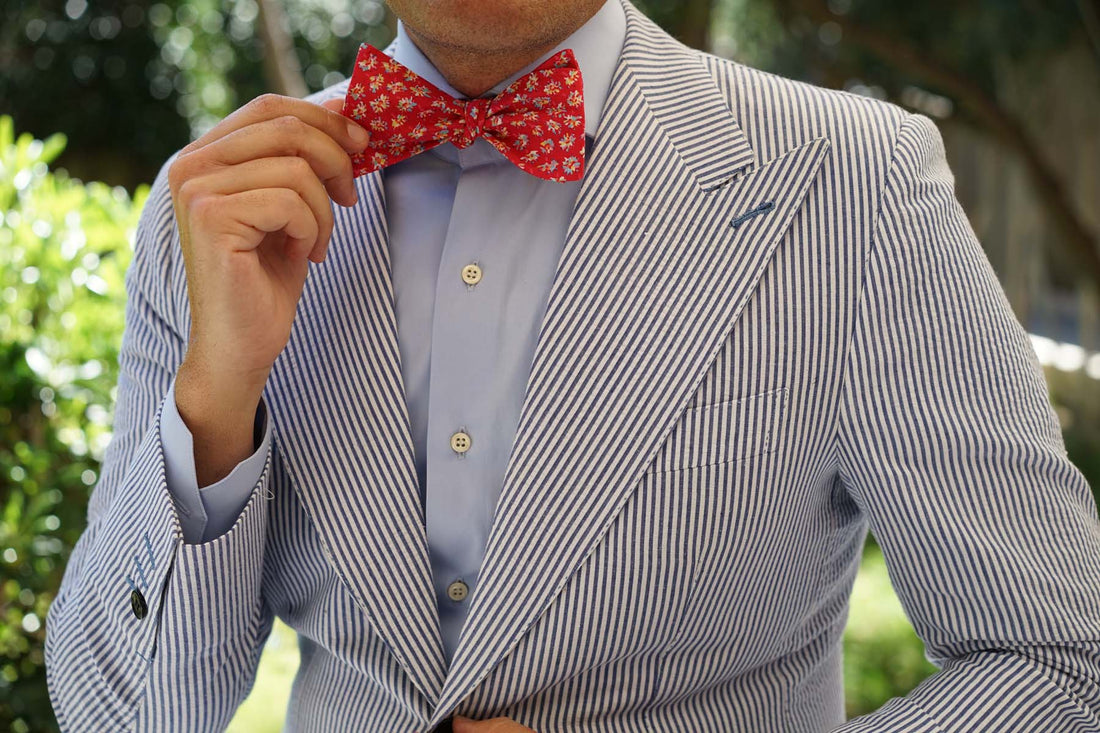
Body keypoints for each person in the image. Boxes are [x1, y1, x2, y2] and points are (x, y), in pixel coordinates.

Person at [45, 0, 1100, 729]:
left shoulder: (853, 187)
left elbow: (1060, 664)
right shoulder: (213, 210)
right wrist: (216, 398)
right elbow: (118, 714)